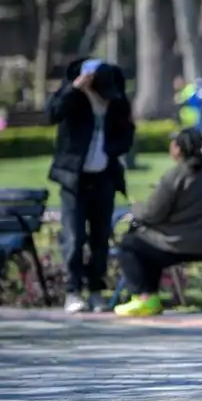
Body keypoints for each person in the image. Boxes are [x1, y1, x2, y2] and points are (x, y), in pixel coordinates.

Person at [48, 58, 135, 313]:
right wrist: (73, 88)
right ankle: (73, 291)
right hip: (74, 179)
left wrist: (110, 151)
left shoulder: (116, 97)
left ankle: (96, 290)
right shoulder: (73, 96)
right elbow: (52, 113)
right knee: (74, 238)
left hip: (103, 178)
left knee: (100, 238)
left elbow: (127, 133)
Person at [113, 128, 202, 317]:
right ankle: (150, 299)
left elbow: (151, 213)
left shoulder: (176, 175)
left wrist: (135, 208)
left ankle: (144, 297)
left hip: (181, 244)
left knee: (130, 244)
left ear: (178, 148)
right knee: (149, 246)